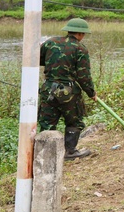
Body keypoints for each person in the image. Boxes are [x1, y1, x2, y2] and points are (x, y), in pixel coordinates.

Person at [38, 18, 97, 159]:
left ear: (68, 30)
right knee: (74, 121)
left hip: (48, 89)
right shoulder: (80, 49)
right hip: (68, 92)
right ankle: (70, 151)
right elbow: (84, 76)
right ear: (81, 34)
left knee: (47, 122)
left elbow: (40, 60)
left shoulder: (50, 42)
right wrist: (91, 93)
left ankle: (43, 154)